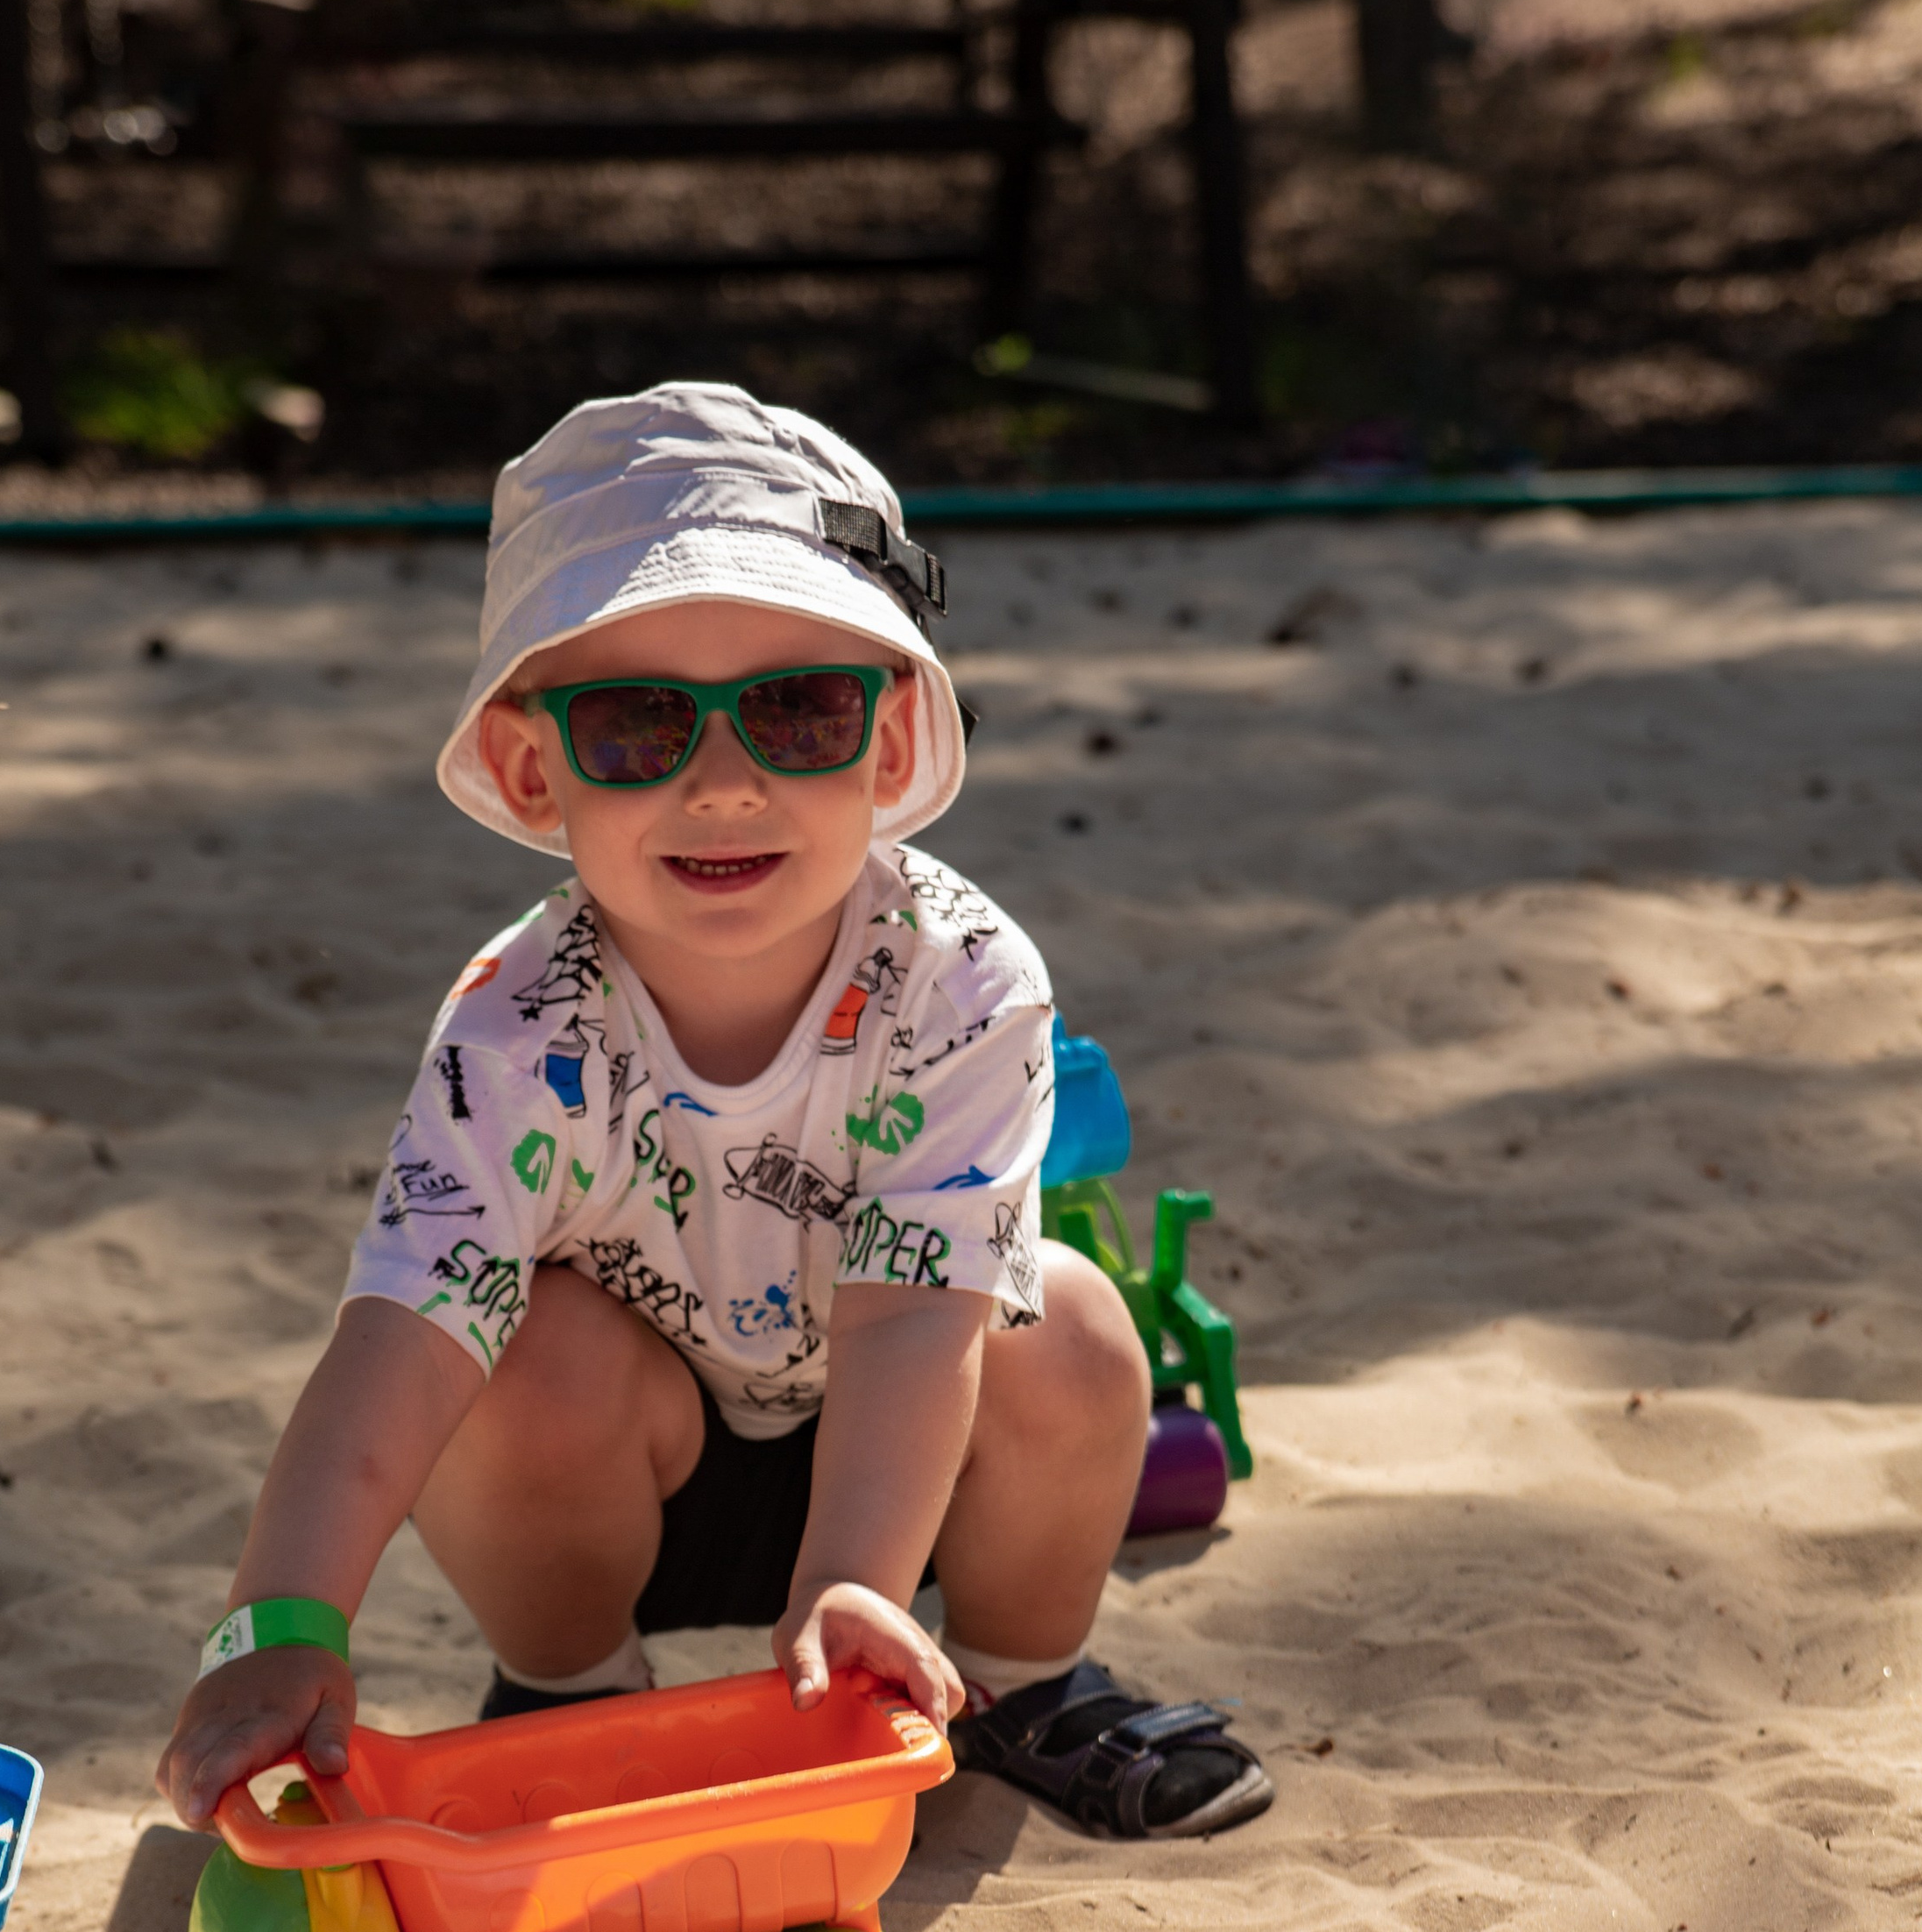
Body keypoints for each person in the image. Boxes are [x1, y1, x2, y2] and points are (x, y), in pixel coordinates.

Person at [157, 382, 1270, 1846]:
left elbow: (911, 1317)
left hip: (900, 1461)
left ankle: (1016, 1687)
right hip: (636, 1481)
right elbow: (399, 1340)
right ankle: (570, 1695)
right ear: (532, 767)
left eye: (798, 711)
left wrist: (857, 1579)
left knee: (1065, 1329)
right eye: (637, 725)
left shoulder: (962, 978)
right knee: (506, 1353)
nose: (725, 782)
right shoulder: (513, 1023)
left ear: (886, 749)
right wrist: (279, 1625)